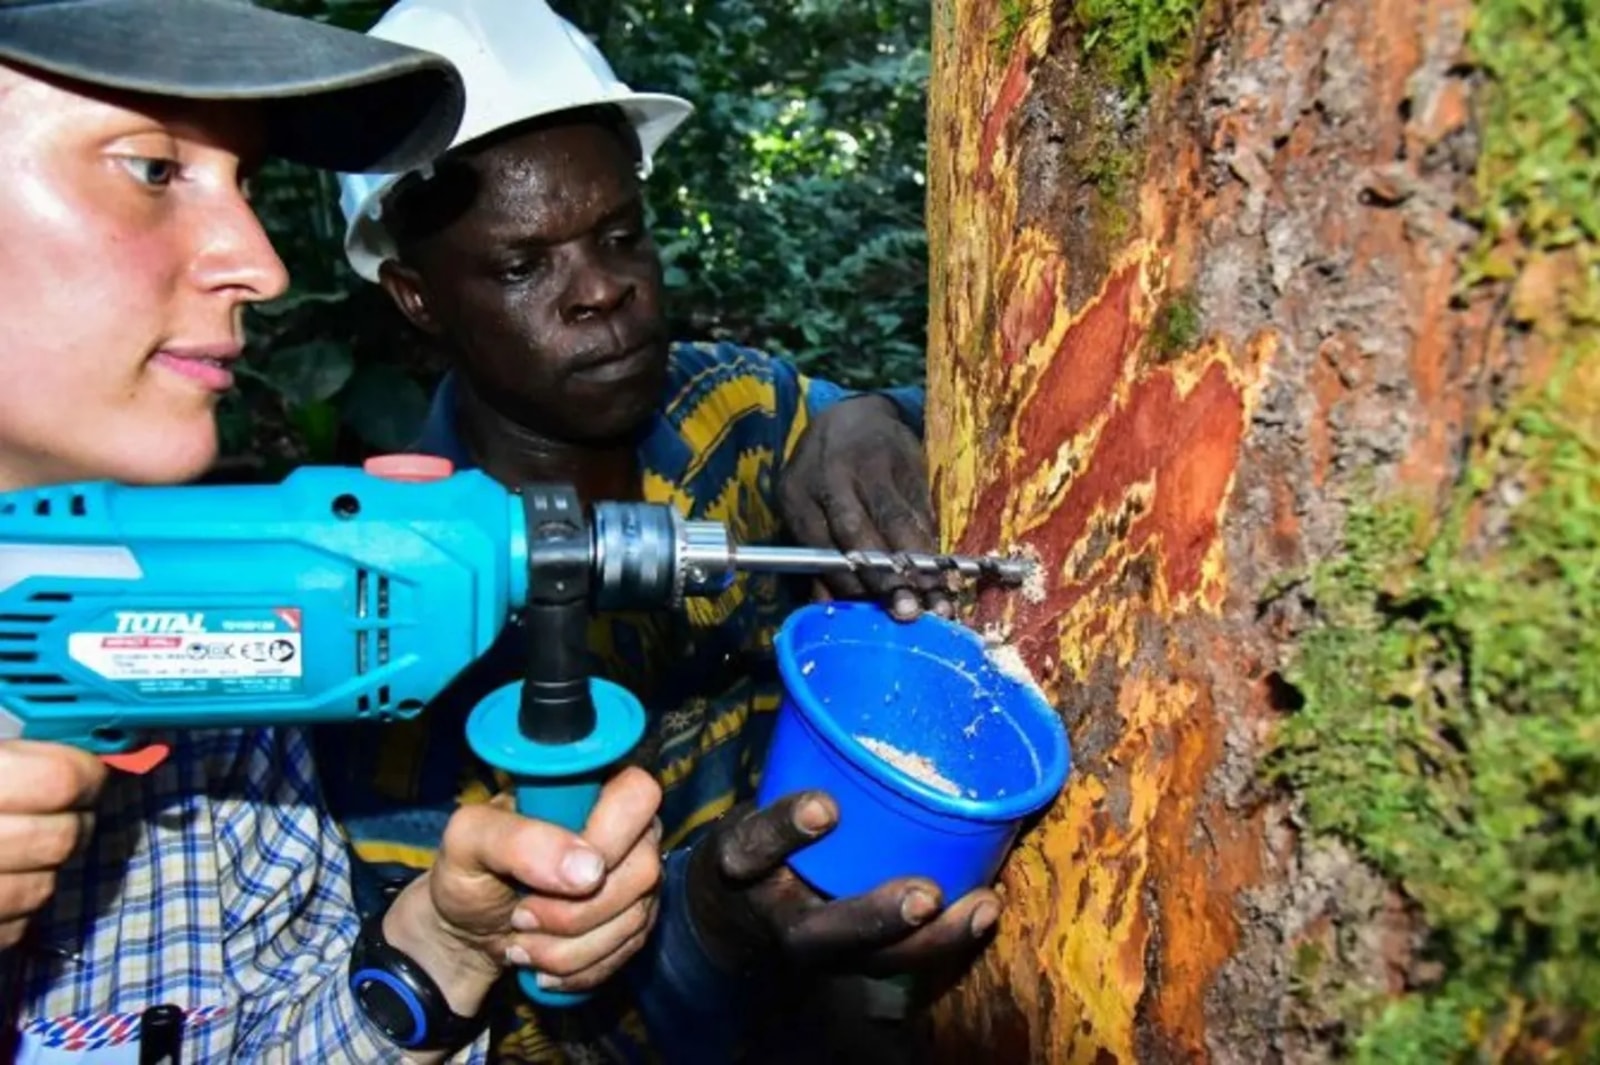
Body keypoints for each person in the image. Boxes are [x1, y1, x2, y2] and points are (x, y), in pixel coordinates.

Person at [322, 1, 1001, 1061]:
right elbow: (499, 1039)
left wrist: (874, 416)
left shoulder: (731, 411)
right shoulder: (394, 630)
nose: (602, 289)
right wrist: (718, 931)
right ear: (416, 298)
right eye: (520, 267)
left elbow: (985, 436)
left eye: (620, 234)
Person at [0, 2, 665, 1061]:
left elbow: (279, 1032)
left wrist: (444, 950)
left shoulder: (215, 659)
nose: (259, 264)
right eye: (153, 171)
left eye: (247, 185)